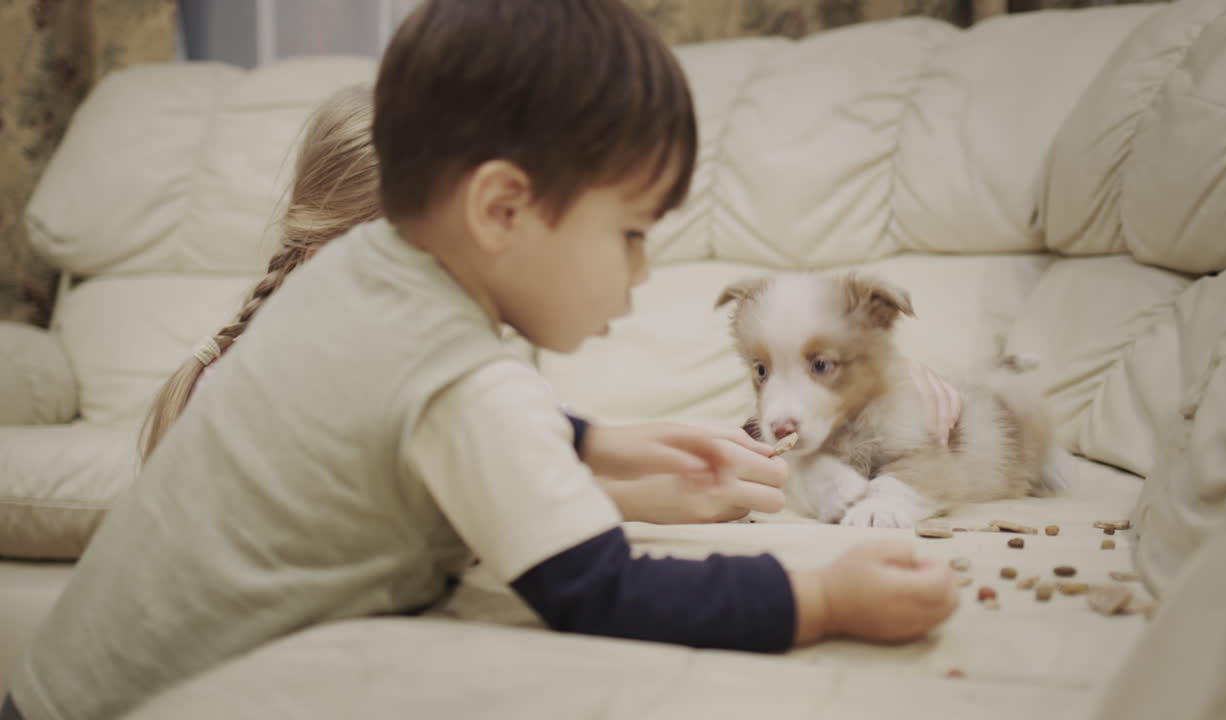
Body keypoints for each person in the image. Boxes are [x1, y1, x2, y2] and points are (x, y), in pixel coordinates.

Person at [4, 2, 958, 719]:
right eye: (628, 234)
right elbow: (600, 589)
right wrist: (824, 595)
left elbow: (396, 415)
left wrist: (603, 448)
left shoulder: (352, 280)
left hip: (50, 686)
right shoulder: (465, 380)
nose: (642, 272)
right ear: (501, 210)